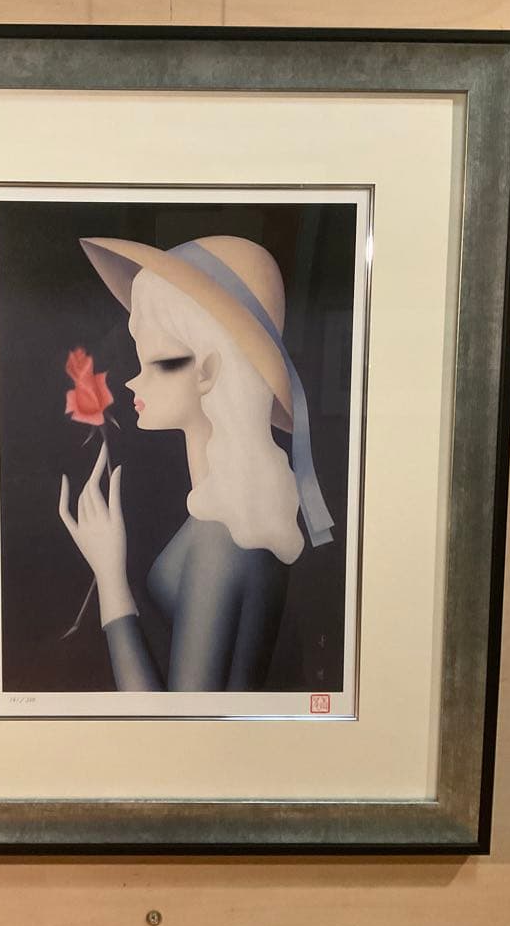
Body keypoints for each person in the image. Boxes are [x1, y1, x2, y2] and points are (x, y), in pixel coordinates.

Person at [58, 235, 333, 691]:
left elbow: (178, 722)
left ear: (209, 372)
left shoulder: (223, 537)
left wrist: (109, 577)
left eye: (161, 363)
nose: (133, 382)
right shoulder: (235, 512)